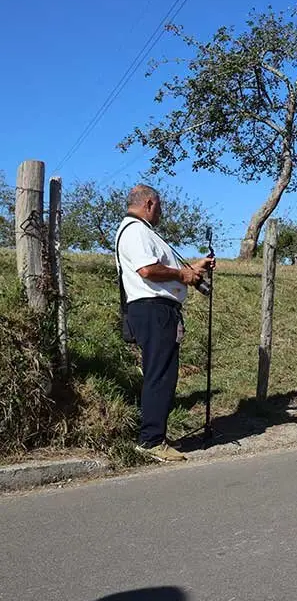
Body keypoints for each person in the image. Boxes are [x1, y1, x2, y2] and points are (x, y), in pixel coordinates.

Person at [115, 185, 214, 462]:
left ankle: (155, 437)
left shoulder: (141, 231)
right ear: (149, 203)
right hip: (153, 310)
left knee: (162, 373)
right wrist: (183, 276)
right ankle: (151, 441)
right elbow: (147, 270)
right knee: (160, 374)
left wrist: (193, 269)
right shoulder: (135, 230)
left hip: (156, 309)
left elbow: (160, 270)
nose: (161, 212)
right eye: (159, 207)